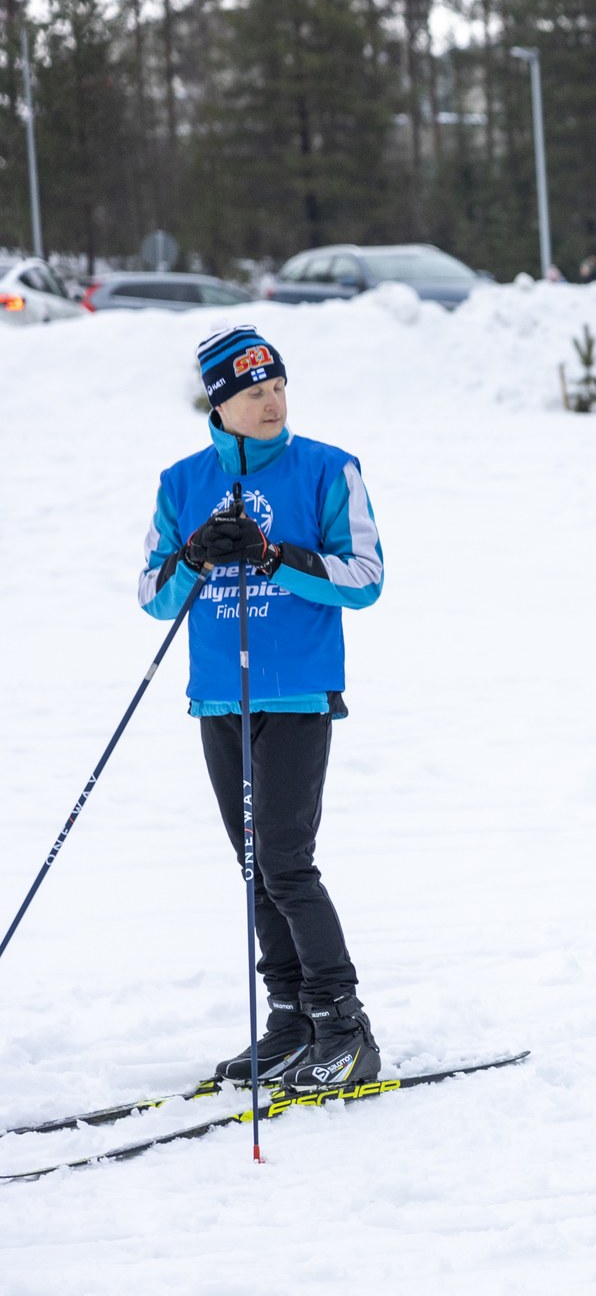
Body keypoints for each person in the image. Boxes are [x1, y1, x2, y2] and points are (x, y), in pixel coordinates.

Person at [137, 325, 386, 1091]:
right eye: (255, 393)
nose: (273, 402)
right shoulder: (181, 483)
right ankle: (291, 1020)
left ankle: (343, 1021)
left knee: (285, 861)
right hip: (218, 695)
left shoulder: (327, 470)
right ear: (221, 402)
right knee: (254, 866)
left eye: (279, 387)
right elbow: (153, 596)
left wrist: (278, 557)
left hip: (298, 692)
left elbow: (365, 577)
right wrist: (196, 555)